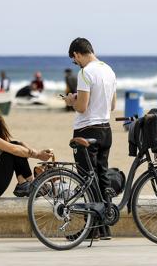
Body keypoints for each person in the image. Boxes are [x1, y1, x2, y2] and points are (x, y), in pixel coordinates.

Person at [63, 37, 117, 240]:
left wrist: (70, 101)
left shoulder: (85, 73)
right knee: (102, 178)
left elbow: (82, 107)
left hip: (86, 131)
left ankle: (91, 230)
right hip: (105, 129)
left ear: (77, 54)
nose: (75, 63)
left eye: (74, 59)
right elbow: (111, 105)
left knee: (87, 178)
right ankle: (104, 228)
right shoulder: (109, 70)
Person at [0, 101, 54, 198]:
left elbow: (17, 147)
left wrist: (32, 149)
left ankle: (24, 184)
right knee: (13, 149)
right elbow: (14, 149)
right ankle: (31, 184)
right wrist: (38, 155)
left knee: (15, 146)